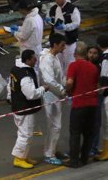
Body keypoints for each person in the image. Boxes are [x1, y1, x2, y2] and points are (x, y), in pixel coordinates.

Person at [10, 49, 47, 169]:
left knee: (24, 133)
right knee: (25, 135)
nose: (36, 59)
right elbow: (31, 94)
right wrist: (43, 88)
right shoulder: (25, 76)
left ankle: (23, 155)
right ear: (28, 60)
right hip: (25, 109)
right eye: (33, 58)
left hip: (18, 107)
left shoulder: (15, 70)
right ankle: (19, 159)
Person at [65, 42, 99, 168]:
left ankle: (74, 160)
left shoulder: (73, 65)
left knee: (75, 133)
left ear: (75, 54)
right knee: (88, 133)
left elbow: (69, 82)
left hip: (79, 104)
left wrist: (68, 91)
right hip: (93, 104)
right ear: (86, 54)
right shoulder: (93, 67)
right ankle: (84, 158)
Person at [39, 33, 67, 165]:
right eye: (62, 45)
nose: (64, 47)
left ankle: (51, 150)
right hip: (51, 95)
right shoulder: (47, 60)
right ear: (55, 44)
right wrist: (62, 91)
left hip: (56, 94)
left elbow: (59, 77)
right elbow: (49, 80)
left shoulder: (54, 58)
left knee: (55, 125)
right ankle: (49, 153)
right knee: (55, 125)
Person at [45, 0, 81, 74]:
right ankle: (60, 79)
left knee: (69, 62)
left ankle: (69, 79)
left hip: (69, 40)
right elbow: (48, 19)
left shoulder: (72, 9)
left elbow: (76, 23)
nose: (57, 1)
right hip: (57, 40)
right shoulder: (53, 8)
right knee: (57, 61)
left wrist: (65, 27)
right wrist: (47, 20)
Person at [87, 45, 104, 156]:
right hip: (87, 97)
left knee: (95, 123)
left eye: (95, 53)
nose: (92, 55)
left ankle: (93, 147)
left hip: (96, 97)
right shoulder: (85, 65)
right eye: (90, 52)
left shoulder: (99, 68)